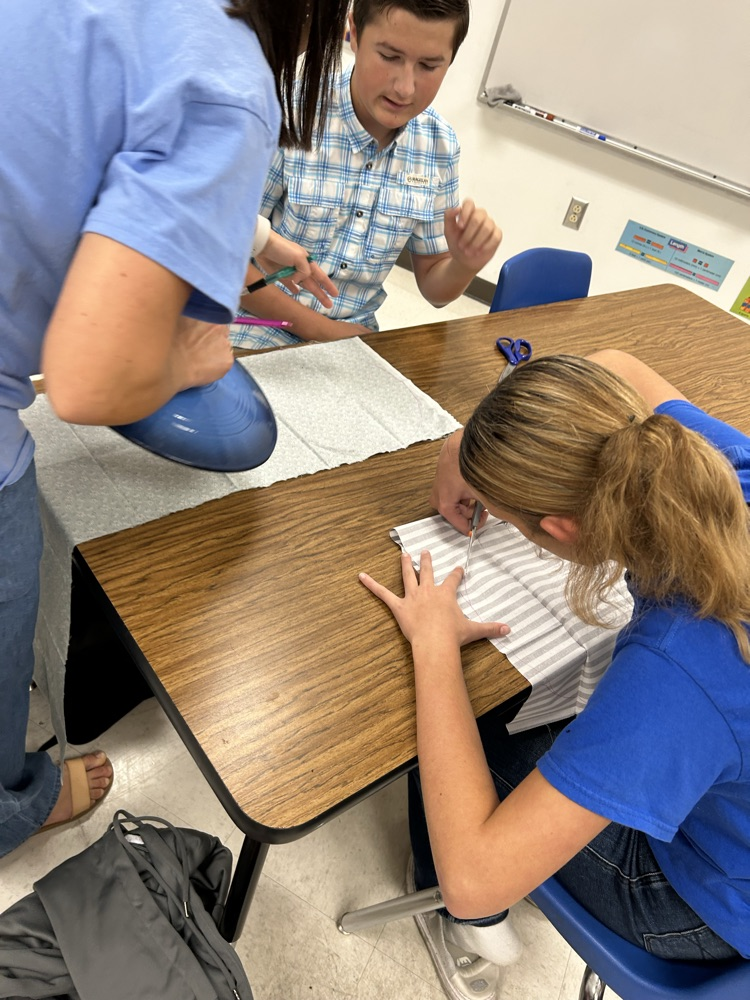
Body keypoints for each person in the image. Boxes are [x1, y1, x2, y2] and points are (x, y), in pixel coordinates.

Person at [0, 0, 350, 858]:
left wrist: (257, 235)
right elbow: (86, 380)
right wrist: (192, 358)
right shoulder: (229, 78)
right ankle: (12, 808)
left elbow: (89, 122)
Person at [359, 350, 750, 1000]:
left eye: (508, 521)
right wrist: (469, 443)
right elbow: (621, 362)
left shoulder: (679, 665)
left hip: (711, 906)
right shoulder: (715, 466)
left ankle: (462, 926)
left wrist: (434, 644)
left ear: (562, 529)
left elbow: (475, 877)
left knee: (477, 723)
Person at [231, 0, 503, 349]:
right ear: (354, 34)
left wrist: (464, 264)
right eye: (389, 56)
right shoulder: (292, 110)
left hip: (354, 341)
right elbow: (226, 248)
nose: (405, 87)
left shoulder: (439, 146)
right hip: (255, 325)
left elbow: (436, 288)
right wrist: (322, 331)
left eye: (429, 65)